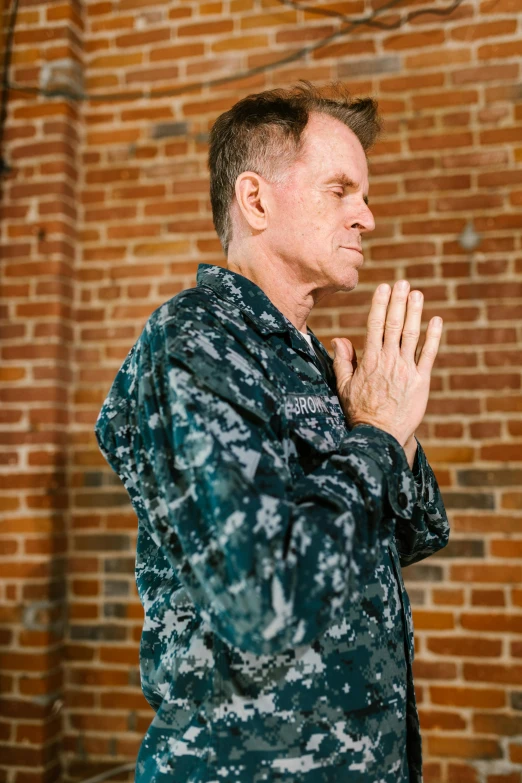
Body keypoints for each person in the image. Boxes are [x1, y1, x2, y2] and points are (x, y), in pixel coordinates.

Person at [95, 81, 449, 782]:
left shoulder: (318, 360)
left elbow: (413, 532)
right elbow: (263, 599)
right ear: (255, 200)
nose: (367, 217)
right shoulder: (192, 343)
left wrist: (387, 429)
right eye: (341, 189)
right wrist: (376, 434)